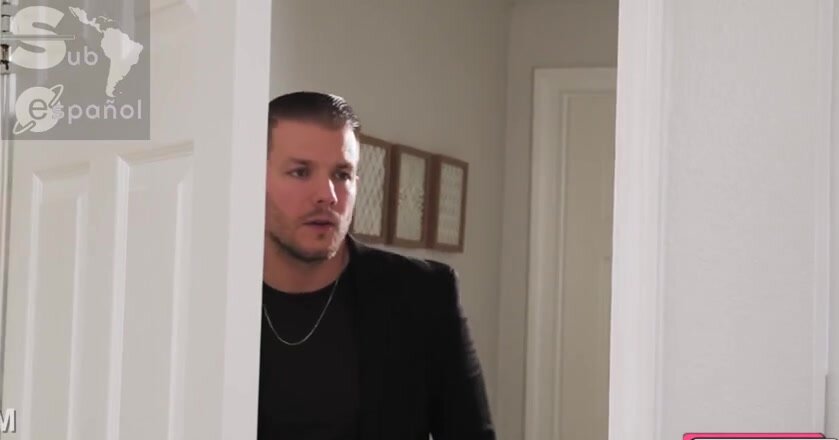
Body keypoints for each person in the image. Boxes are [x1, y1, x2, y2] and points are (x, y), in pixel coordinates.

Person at [259, 91, 495, 440]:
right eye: (300, 172)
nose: (327, 195)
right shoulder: (208, 296)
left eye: (342, 174)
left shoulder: (423, 295)